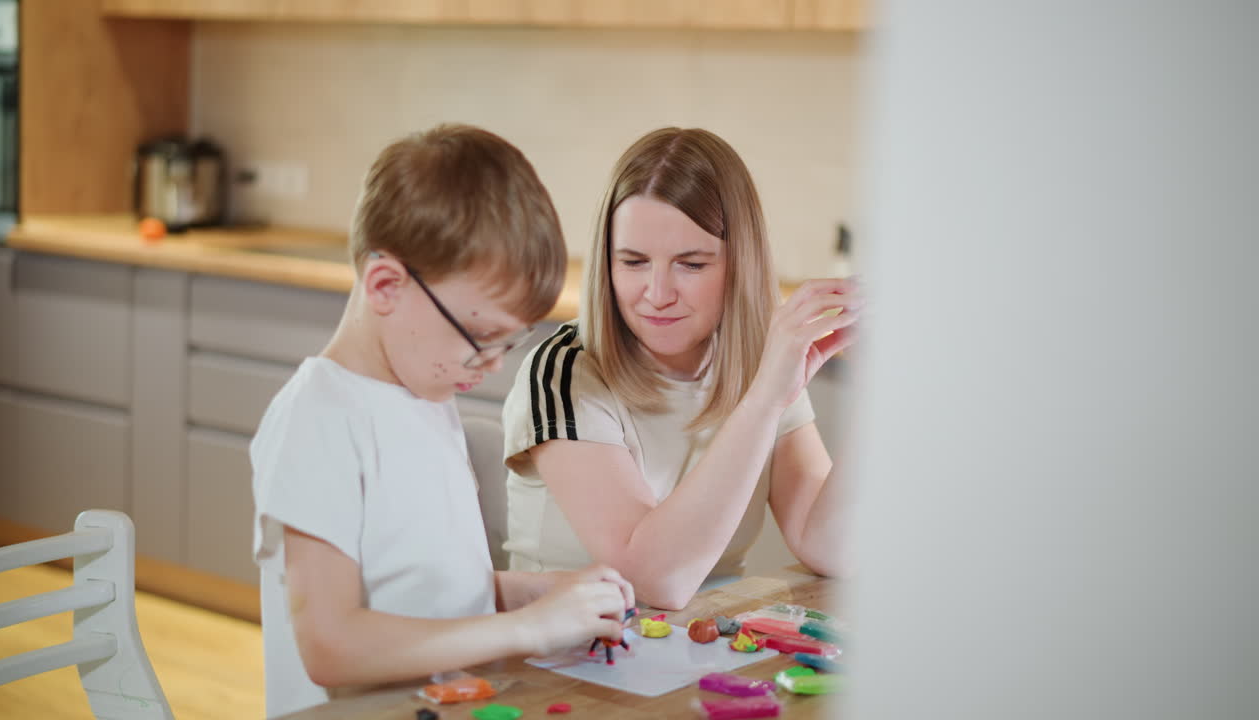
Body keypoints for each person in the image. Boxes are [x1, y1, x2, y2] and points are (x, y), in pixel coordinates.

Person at [250, 124, 634, 718]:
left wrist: (537, 592)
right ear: (385, 284)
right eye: (479, 339)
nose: (491, 366)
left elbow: (425, 594)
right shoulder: (319, 419)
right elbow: (331, 646)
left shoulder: (426, 395)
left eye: (508, 344)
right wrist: (529, 627)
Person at [502, 127, 860, 610]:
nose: (657, 293)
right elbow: (654, 583)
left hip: (693, 650)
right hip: (562, 664)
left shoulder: (759, 365)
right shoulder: (563, 373)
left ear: (740, 265)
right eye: (633, 261)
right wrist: (764, 400)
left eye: (691, 264)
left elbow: (830, 546)